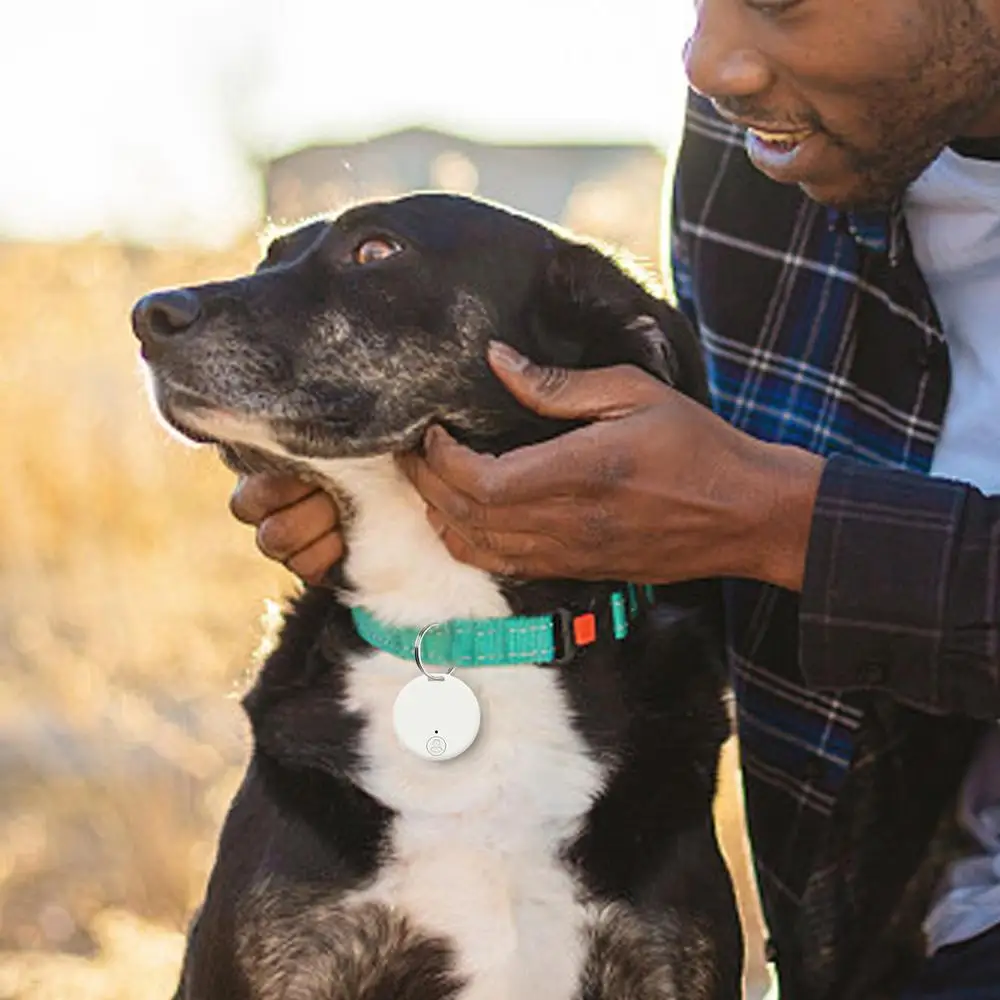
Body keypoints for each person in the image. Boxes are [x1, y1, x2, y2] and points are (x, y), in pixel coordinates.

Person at [226, 0, 1000, 996]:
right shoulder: (763, 148)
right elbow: (705, 551)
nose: (708, 63)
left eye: (777, 1)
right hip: (900, 933)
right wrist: (457, 511)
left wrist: (779, 523)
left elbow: (758, 512)